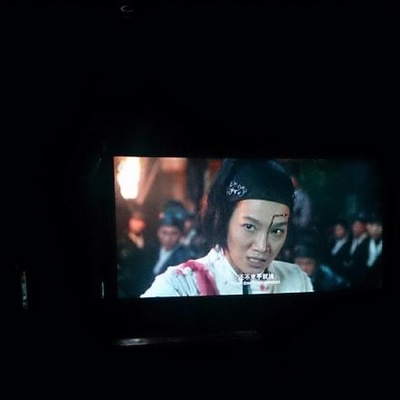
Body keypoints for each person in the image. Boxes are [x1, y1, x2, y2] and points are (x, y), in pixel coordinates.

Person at [141, 158, 314, 297]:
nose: (262, 247)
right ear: (222, 220)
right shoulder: (180, 285)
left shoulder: (296, 280)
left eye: (276, 231)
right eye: (249, 226)